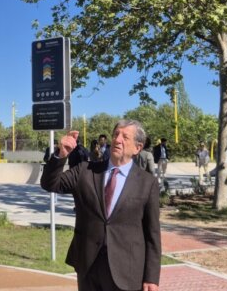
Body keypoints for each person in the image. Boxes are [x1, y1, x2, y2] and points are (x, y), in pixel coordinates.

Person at [41, 121, 161, 291]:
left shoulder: (147, 183)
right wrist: (61, 154)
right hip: (89, 267)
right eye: (116, 134)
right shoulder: (85, 171)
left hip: (127, 271)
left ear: (137, 148)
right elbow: (50, 184)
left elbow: (152, 233)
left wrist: (151, 277)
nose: (117, 140)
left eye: (125, 137)